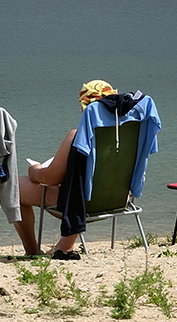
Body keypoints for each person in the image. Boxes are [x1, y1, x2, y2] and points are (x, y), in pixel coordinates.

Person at [12, 80, 116, 260]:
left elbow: (50, 178)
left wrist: (35, 171)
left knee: (11, 188)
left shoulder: (77, 136)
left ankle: (33, 249)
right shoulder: (128, 134)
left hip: (83, 204)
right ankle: (65, 243)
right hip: (116, 200)